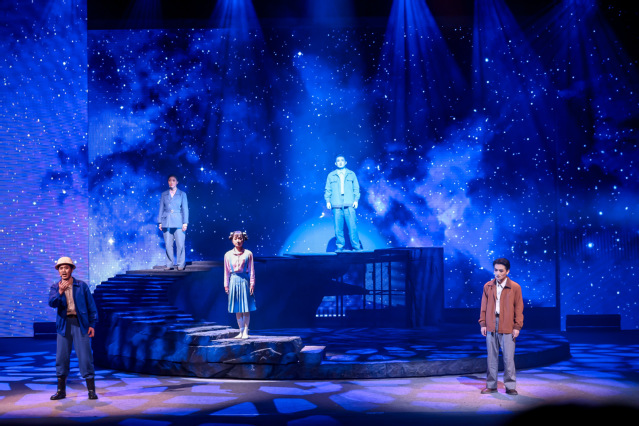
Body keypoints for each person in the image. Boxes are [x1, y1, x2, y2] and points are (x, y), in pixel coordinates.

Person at [48, 257, 99, 400]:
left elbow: (91, 306)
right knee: (62, 357)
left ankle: (91, 390)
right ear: (58, 271)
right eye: (61, 268)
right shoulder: (55, 287)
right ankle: (61, 391)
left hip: (80, 324)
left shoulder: (81, 286)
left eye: (66, 267)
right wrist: (60, 292)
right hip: (64, 325)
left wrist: (92, 324)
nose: (63, 270)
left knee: (85, 357)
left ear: (71, 269)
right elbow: (52, 303)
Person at [479, 258, 524, 395]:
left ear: (507, 271)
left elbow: (519, 308)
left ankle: (510, 386)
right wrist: (483, 323)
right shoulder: (488, 286)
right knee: (491, 357)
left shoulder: (515, 287)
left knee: (508, 358)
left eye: (501, 271)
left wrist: (517, 326)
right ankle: (491, 385)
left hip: (508, 324)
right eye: (495, 270)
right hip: (491, 323)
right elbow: (483, 306)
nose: (497, 273)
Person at [324, 155, 362, 251]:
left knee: (352, 226)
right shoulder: (331, 175)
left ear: (345, 162)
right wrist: (328, 201)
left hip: (349, 202)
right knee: (338, 228)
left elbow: (356, 188)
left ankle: (356, 246)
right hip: (336, 203)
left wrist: (356, 200)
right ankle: (340, 246)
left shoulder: (351, 174)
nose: (340, 162)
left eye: (342, 160)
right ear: (335, 163)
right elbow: (328, 189)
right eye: (338, 161)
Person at [224, 231, 256, 339]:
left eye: (240, 238)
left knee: (246, 307)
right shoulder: (228, 255)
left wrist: (252, 284)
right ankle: (240, 331)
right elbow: (226, 272)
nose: (238, 241)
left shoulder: (248, 253)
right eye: (236, 238)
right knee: (237, 308)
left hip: (244, 281)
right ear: (232, 240)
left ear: (243, 239)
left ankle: (246, 331)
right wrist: (226, 285)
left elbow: (251, 270)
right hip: (233, 281)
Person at [158, 174, 189, 270]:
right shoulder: (164, 194)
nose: (171, 182)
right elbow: (161, 208)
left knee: (180, 244)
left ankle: (180, 264)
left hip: (178, 222)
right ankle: (169, 264)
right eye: (169, 180)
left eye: (173, 180)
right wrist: (160, 222)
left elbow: (185, 209)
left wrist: (185, 222)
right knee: (168, 244)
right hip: (166, 221)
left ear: (177, 182)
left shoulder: (182, 194)